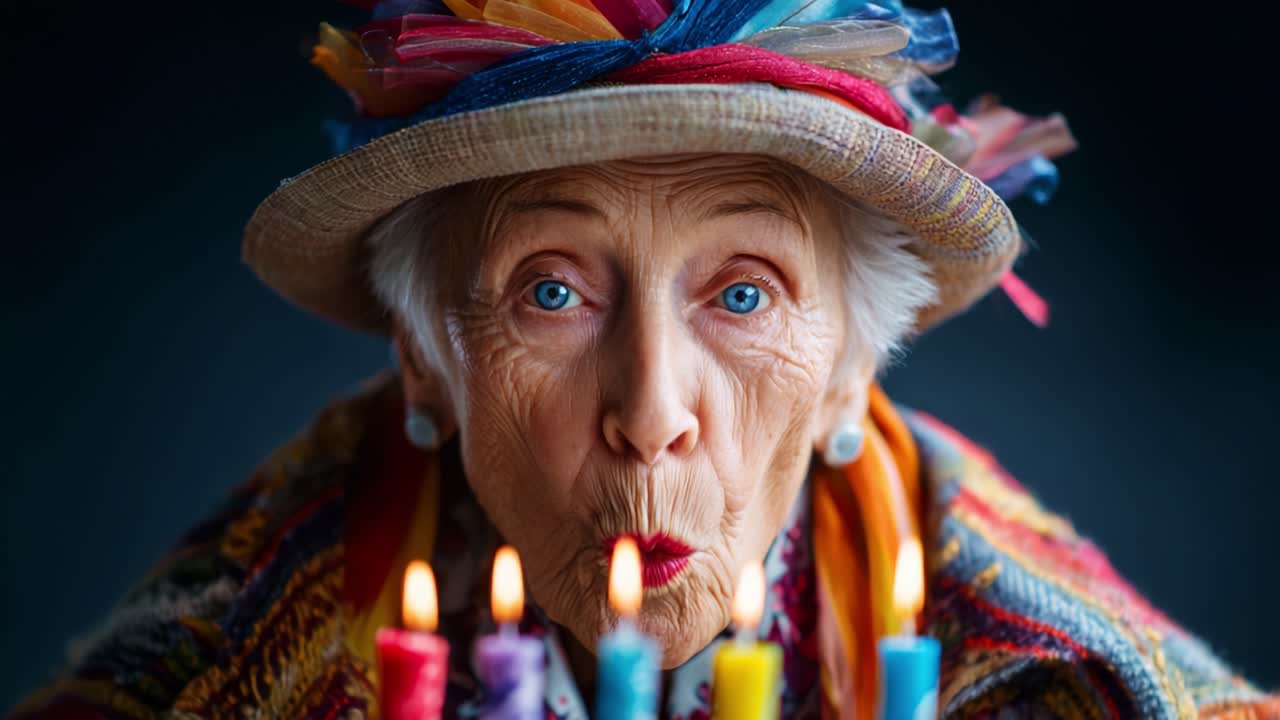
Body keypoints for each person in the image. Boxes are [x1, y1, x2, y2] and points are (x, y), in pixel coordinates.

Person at [9, 1, 1277, 719]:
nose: (651, 413)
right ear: (424, 364)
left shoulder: (1065, 686)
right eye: (550, 292)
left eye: (741, 292)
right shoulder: (205, 672)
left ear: (848, 374)